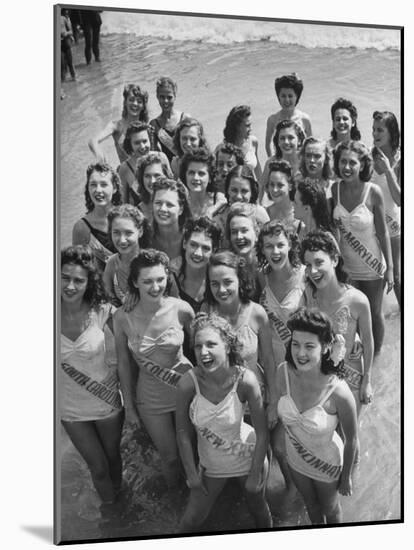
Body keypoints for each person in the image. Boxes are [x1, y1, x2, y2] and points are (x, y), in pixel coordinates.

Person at [176, 312, 273, 532]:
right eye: (198, 346)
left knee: (258, 509)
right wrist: (191, 473)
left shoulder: (246, 380)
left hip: (248, 459)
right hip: (211, 467)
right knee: (190, 522)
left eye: (211, 344)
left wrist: (255, 473)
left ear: (227, 346)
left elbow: (262, 433)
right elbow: (182, 433)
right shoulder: (188, 383)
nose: (203, 352)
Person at [113, 249, 195, 488]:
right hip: (150, 399)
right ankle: (174, 504)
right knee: (169, 459)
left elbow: (201, 352)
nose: (155, 286)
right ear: (135, 282)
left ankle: (198, 501)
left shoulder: (182, 309)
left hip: (186, 392)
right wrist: (129, 407)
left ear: (167, 277)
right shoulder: (122, 317)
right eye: (147, 281)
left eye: (160, 279)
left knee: (191, 454)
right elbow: (124, 365)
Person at [276, 307, 358, 524]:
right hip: (295, 459)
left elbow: (352, 440)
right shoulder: (282, 372)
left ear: (325, 348)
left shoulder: (339, 392)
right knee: (311, 506)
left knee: (330, 510)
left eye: (309, 346)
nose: (300, 353)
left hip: (327, 464)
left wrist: (346, 478)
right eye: (295, 344)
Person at [61, 245, 124, 505]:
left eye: (79, 280)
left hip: (107, 404)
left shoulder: (102, 310)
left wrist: (121, 378)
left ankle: (122, 501)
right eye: (65, 278)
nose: (71, 286)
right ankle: (111, 516)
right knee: (98, 468)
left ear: (89, 283)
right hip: (70, 410)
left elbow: (129, 347)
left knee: (112, 460)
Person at [301, 231, 374, 416]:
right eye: (308, 265)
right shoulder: (308, 296)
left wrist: (367, 382)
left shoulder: (358, 300)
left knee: (351, 438)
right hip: (320, 378)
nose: (313, 271)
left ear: (334, 260)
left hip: (351, 379)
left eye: (319, 262)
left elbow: (368, 342)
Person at [256, 220, 306, 492]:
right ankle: (292, 491)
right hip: (274, 369)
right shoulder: (259, 277)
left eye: (280, 245)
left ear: (290, 245)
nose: (275, 251)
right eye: (268, 246)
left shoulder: (306, 275)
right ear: (261, 250)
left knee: (308, 436)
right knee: (278, 446)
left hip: (305, 371)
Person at [331, 140, 393, 356]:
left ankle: (375, 359)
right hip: (346, 267)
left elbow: (383, 232)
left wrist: (391, 270)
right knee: (349, 315)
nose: (346, 167)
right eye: (342, 162)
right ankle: (354, 358)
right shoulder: (335, 188)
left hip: (372, 265)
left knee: (375, 313)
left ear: (362, 165)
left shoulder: (373, 192)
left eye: (352, 163)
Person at [202, 250, 278, 416]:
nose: (221, 289)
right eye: (214, 283)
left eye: (227, 282)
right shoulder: (206, 310)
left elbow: (268, 360)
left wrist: (273, 402)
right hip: (219, 403)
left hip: (254, 401)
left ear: (240, 280)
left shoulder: (257, 313)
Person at [371, 110, 401, 308]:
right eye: (373, 129)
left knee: (396, 277)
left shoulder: (401, 161)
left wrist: (389, 170)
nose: (375, 134)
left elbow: (399, 199)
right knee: (376, 275)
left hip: (393, 227)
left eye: (380, 130)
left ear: (391, 132)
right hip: (371, 228)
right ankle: (375, 317)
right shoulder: (369, 157)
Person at [72, 162, 122, 271]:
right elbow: (81, 271)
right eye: (93, 184)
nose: (98, 190)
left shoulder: (128, 216)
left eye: (104, 184)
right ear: (88, 188)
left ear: (114, 188)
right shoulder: (81, 228)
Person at [103, 205, 151, 306]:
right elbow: (107, 300)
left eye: (128, 233)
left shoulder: (151, 262)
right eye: (116, 233)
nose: (122, 240)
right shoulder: (112, 263)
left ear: (140, 231)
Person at [89, 84, 149, 164]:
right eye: (131, 99)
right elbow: (93, 141)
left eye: (139, 101)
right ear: (125, 102)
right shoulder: (116, 126)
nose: (135, 104)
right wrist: (99, 154)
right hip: (126, 173)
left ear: (143, 106)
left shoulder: (146, 127)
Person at [174, 216, 222, 313]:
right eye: (193, 245)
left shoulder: (220, 281)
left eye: (205, 248)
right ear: (184, 243)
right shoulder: (171, 278)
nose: (198, 253)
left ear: (214, 251)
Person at [214, 165, 269, 241]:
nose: (239, 197)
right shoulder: (220, 217)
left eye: (244, 191)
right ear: (227, 190)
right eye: (234, 190)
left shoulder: (259, 213)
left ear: (252, 193)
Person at [118, 122, 171, 203]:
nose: (142, 146)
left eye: (145, 141)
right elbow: (123, 201)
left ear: (150, 140)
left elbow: (172, 188)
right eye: (137, 143)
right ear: (130, 144)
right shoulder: (125, 168)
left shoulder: (162, 158)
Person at [150, 177, 192, 274]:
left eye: (169, 205)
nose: (163, 209)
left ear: (181, 209)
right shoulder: (144, 239)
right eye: (158, 203)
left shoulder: (191, 239)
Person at [265, 73, 312, 157]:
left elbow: (310, 144)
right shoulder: (272, 119)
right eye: (283, 96)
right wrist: (273, 160)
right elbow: (268, 144)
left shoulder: (304, 119)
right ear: (278, 97)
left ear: (296, 97)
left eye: (290, 96)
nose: (287, 100)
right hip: (280, 164)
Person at [261, 120, 306, 201]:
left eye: (290, 138)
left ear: (299, 140)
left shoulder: (305, 161)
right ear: (277, 141)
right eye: (282, 138)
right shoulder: (271, 162)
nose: (286, 142)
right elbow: (261, 187)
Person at [150, 77, 190, 163]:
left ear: (175, 96)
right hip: (169, 169)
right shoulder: (154, 124)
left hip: (187, 165)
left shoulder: (185, 118)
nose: (165, 101)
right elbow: (154, 153)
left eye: (169, 97)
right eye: (162, 97)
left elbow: (195, 145)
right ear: (157, 96)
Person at [217, 105, 262, 181]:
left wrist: (262, 188)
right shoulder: (223, 148)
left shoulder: (253, 141)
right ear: (237, 126)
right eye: (247, 125)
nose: (251, 129)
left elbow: (257, 168)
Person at [179, 147, 227, 219]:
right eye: (191, 173)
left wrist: (212, 209)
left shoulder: (218, 200)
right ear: (185, 175)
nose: (196, 177)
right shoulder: (180, 202)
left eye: (201, 173)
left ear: (210, 177)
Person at [129, 152, 173, 219]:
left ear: (166, 176)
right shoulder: (138, 213)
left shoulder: (177, 202)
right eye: (147, 176)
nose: (152, 181)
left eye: (157, 175)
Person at [264, 160, 300, 233]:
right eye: (272, 184)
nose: (275, 189)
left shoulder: (300, 212)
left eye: (280, 185)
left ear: (290, 186)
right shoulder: (265, 214)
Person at [61, 8, 76, 81]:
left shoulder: (64, 19)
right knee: (62, 64)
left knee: (70, 62)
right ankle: (63, 81)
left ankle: (74, 78)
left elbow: (71, 31)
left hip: (66, 42)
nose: (67, 15)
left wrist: (66, 33)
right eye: (65, 13)